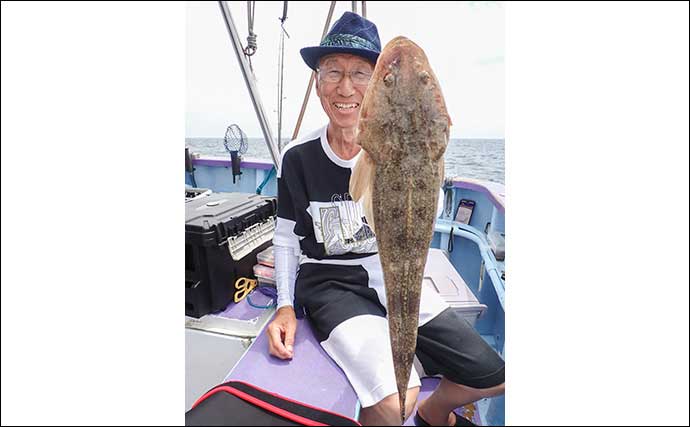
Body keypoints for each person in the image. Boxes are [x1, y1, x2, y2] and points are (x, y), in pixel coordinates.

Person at [267, 11, 505, 426]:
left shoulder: (420, 151)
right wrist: (285, 307)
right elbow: (286, 239)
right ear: (318, 82)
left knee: (495, 375)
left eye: (361, 73)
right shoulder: (298, 157)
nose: (346, 87)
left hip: (389, 272)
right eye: (333, 72)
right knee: (396, 402)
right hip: (330, 282)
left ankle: (436, 411)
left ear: (375, 86)